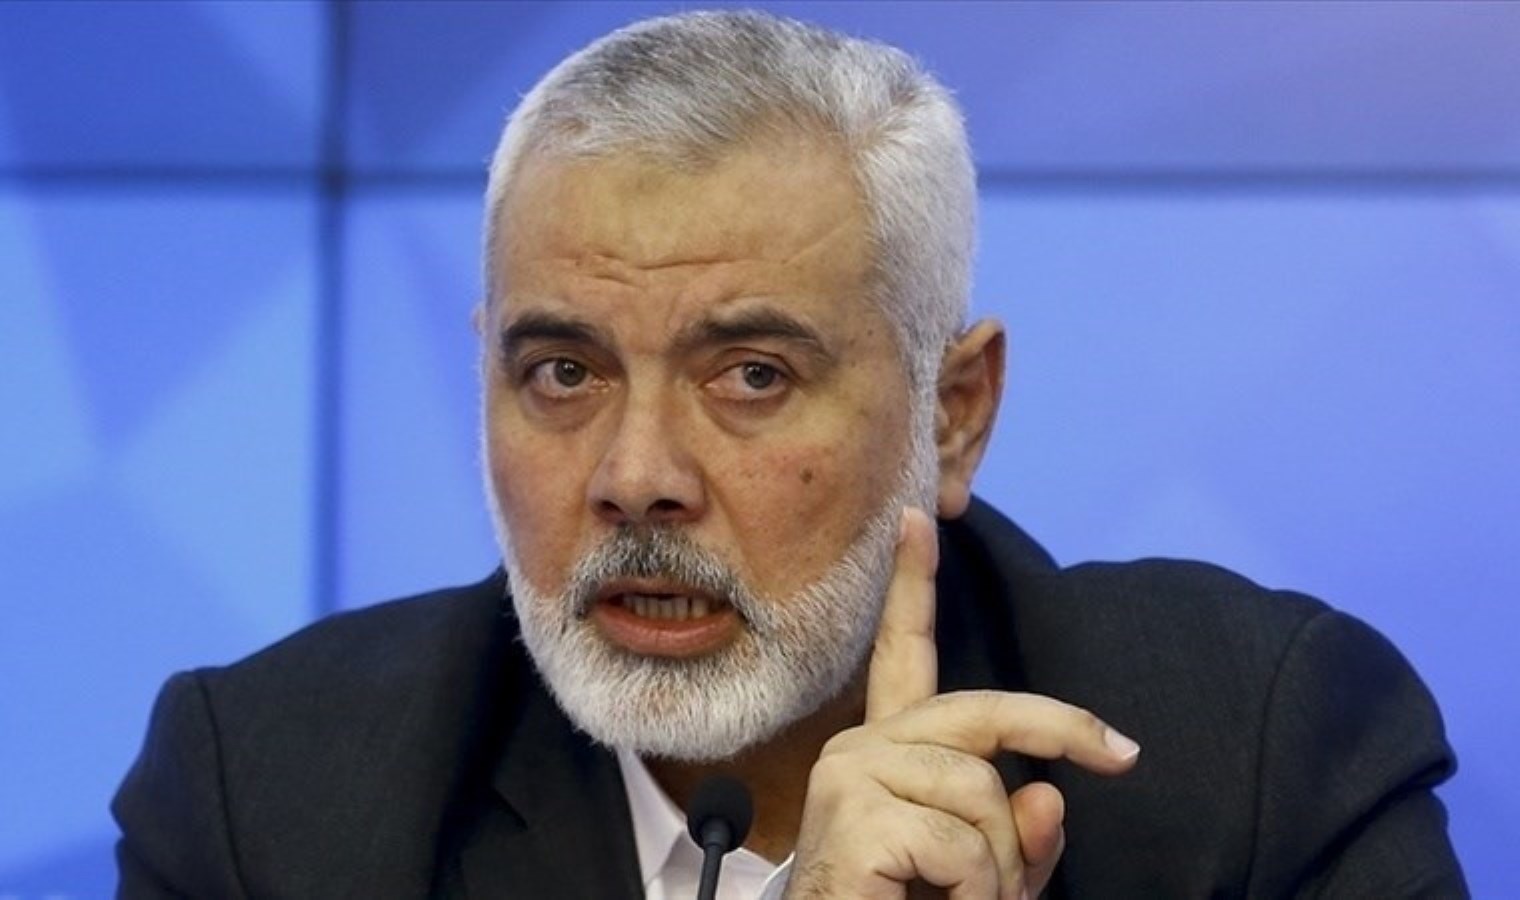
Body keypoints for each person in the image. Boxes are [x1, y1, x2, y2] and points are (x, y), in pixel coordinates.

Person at [113, 10, 1466, 898]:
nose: (636, 476)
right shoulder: (269, 800)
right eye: (564, 372)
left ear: (953, 413)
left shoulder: (1258, 759)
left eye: (751, 375)